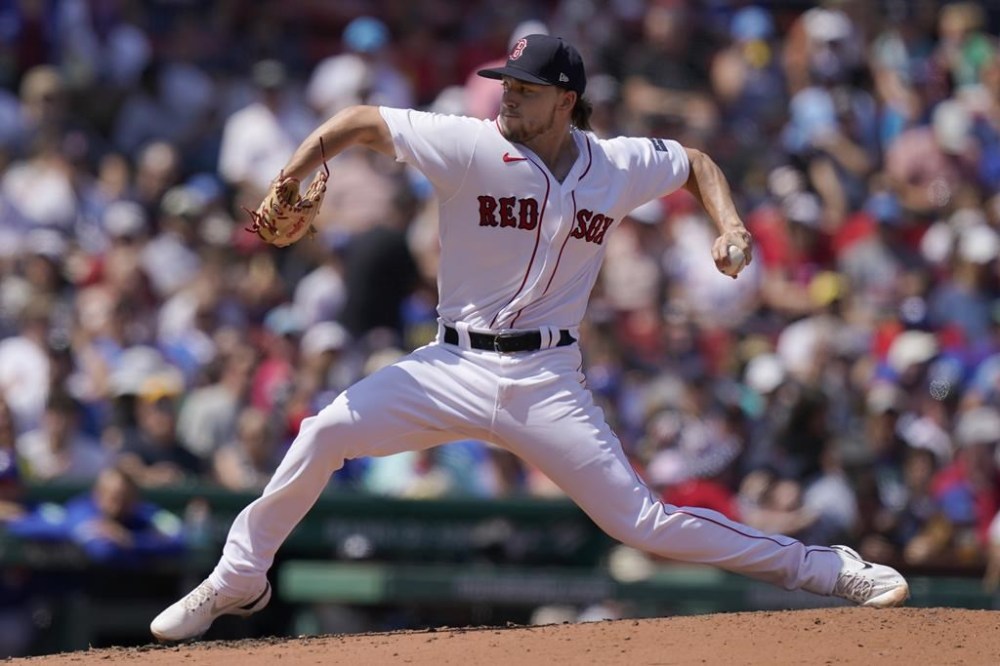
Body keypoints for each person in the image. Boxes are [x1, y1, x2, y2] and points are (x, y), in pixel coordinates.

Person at [150, 34, 909, 643]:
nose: (507, 95)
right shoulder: (471, 144)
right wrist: (288, 176)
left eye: (524, 88)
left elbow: (695, 163)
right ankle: (240, 578)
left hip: (547, 376)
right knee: (323, 433)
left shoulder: (613, 166)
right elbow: (358, 123)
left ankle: (822, 568)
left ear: (566, 101)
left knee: (641, 524)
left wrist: (732, 224)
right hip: (449, 363)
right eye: (506, 84)